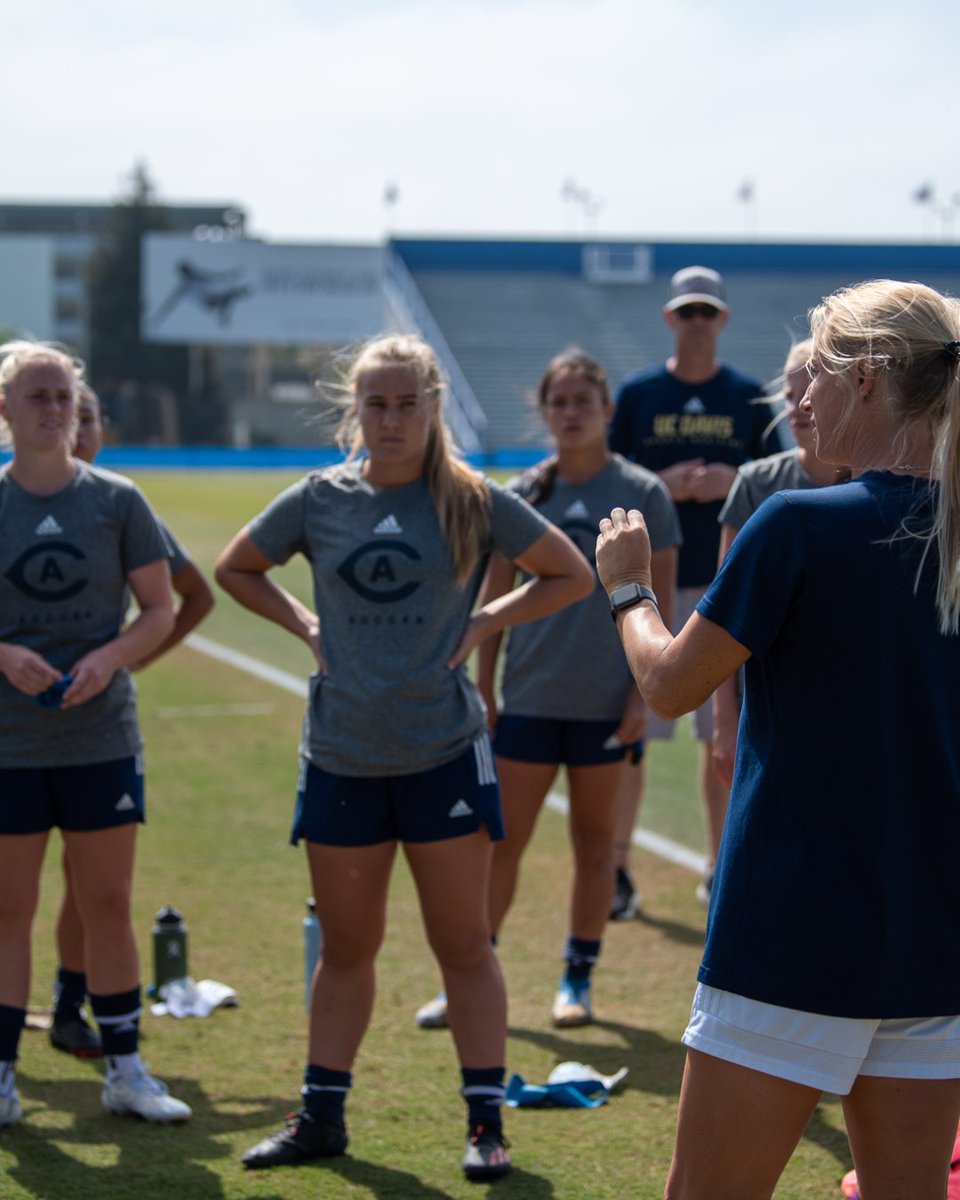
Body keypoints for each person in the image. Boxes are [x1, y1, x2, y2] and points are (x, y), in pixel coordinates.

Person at [596, 279, 960, 1199]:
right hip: (939, 934)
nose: (799, 397)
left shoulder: (798, 522)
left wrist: (630, 587)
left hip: (794, 929)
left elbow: (671, 685)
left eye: (819, 373)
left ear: (871, 378)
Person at [215, 334, 593, 1180]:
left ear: (432, 408)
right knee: (348, 949)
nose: (390, 419)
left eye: (406, 403)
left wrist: (486, 621)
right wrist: (305, 626)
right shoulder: (319, 498)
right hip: (343, 752)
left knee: (463, 945)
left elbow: (567, 573)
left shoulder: (468, 498)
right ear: (356, 410)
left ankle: (486, 1125)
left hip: (443, 753)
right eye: (376, 404)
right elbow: (236, 567)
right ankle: (321, 1118)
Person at [415, 348, 679, 1033]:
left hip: (603, 703)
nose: (569, 413)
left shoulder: (644, 493)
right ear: (544, 411)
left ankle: (577, 979)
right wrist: (485, 685)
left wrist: (637, 696)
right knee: (500, 843)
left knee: (596, 848)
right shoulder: (523, 491)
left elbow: (663, 600)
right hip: (527, 699)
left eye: (581, 402)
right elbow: (493, 597)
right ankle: (474, 977)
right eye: (558, 402)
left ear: (606, 411)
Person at [0, 341, 191, 1127]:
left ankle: (125, 1071)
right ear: (5, 409)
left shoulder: (117, 499)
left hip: (101, 740)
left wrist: (111, 658)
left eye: (64, 396)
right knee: (8, 910)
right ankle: (4, 1079)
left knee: (107, 903)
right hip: (9, 745)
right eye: (36, 394)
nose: (53, 408)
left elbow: (162, 608)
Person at [608, 265, 784, 907]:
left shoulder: (748, 396)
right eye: (688, 312)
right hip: (645, 582)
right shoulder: (639, 394)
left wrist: (728, 479)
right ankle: (618, 871)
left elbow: (777, 475)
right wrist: (667, 485)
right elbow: (611, 472)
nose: (698, 322)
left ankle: (720, 864)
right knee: (634, 732)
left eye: (708, 311)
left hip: (726, 582)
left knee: (722, 729)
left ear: (723, 319)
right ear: (670, 318)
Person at [48, 384, 215, 1058]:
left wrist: (134, 660)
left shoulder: (117, 506)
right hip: (15, 730)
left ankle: (68, 1001)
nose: (80, 429)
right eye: (70, 415)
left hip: (95, 728)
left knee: (87, 885)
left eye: (90, 418)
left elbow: (192, 596)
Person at [711, 339, 849, 785]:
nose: (798, 406)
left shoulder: (876, 480)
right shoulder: (756, 482)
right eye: (789, 396)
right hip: (768, 694)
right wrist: (725, 719)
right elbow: (722, 611)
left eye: (809, 390)